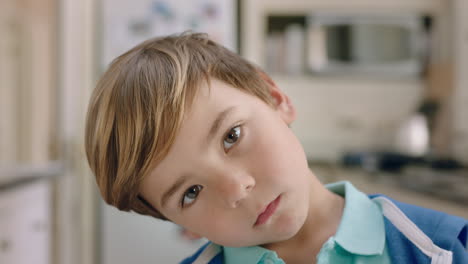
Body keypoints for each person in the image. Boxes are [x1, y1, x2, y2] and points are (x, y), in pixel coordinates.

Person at [84, 32, 468, 264]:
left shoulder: (444, 247)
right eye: (191, 193)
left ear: (274, 97)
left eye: (231, 136)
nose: (236, 190)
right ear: (178, 223)